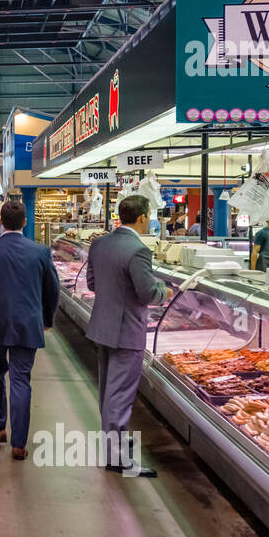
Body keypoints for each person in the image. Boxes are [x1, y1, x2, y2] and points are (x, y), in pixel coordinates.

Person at [85, 195, 169, 477]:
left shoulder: (100, 243)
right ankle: (118, 459)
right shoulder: (138, 250)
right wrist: (165, 291)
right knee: (119, 397)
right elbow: (148, 293)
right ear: (143, 217)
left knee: (109, 393)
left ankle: (113, 447)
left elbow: (92, 283)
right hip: (127, 331)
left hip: (103, 327)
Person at [0, 201, 59, 457]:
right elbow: (51, 290)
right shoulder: (40, 252)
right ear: (25, 222)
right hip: (27, 324)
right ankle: (19, 443)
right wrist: (46, 319)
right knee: (21, 379)